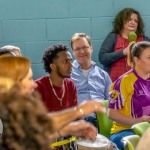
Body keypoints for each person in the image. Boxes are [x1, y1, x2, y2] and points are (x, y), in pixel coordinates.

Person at [108, 41, 150, 149]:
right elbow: (111, 114)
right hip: (125, 131)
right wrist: (138, 121)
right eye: (149, 57)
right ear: (137, 60)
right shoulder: (124, 82)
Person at [71, 33, 112, 127]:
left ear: (91, 48)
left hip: (102, 117)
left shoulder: (103, 75)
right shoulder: (67, 75)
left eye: (85, 47)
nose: (81, 52)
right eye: (77, 49)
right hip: (79, 118)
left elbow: (111, 101)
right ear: (73, 52)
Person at [99, 8, 150, 82]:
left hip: (141, 84)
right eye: (129, 19)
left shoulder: (144, 40)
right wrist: (124, 52)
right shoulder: (113, 37)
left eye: (136, 21)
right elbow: (102, 58)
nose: (133, 22)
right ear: (121, 21)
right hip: (116, 84)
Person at [36, 44, 77, 112]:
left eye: (70, 61)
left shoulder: (70, 85)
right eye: (65, 61)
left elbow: (75, 115)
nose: (71, 65)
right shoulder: (38, 87)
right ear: (53, 66)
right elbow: (39, 119)